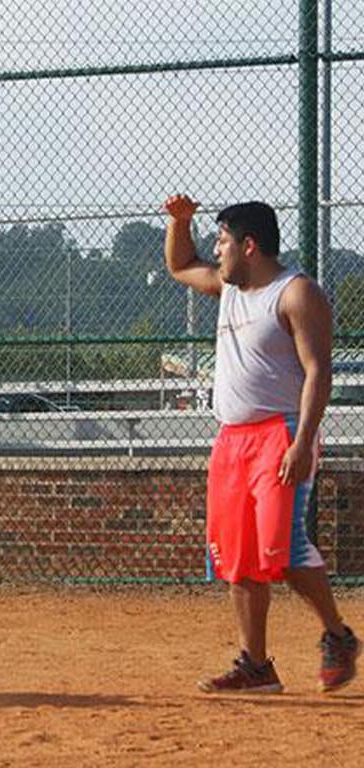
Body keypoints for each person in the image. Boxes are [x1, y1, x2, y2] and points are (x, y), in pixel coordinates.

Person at [163, 195, 358, 694]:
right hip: (232, 438)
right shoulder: (229, 288)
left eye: (222, 241)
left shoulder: (295, 294)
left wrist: (303, 442)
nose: (216, 250)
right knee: (238, 554)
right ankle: (256, 666)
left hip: (282, 432)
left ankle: (338, 636)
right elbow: (180, 264)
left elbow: (318, 372)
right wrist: (179, 222)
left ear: (248, 246)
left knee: (285, 549)